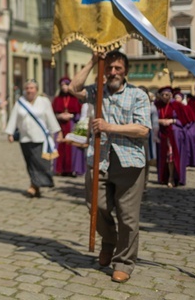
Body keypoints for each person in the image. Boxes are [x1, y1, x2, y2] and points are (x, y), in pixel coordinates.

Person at [68, 51, 151, 284]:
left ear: (126, 71)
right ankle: (109, 241)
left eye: (117, 68)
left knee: (128, 216)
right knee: (96, 206)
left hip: (129, 162)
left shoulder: (137, 95)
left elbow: (143, 129)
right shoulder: (96, 91)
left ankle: (123, 262)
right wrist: (93, 61)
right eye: (109, 68)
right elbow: (73, 89)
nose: (113, 72)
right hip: (100, 158)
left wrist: (109, 127)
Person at [4, 79, 62, 198]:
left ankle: (35, 185)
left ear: (36, 89)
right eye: (27, 88)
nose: (29, 90)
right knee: (29, 162)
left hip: (40, 138)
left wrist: (57, 131)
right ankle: (34, 185)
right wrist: (10, 133)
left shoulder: (43, 101)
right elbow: (14, 117)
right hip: (25, 137)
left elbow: (50, 116)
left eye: (32, 88)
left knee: (40, 162)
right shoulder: (20, 102)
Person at [152, 86, 193, 187]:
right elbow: (150, 118)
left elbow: (186, 121)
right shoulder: (156, 105)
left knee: (172, 157)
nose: (165, 97)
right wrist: (160, 121)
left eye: (167, 95)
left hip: (174, 135)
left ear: (171, 95)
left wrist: (172, 121)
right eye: (162, 95)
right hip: (161, 134)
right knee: (163, 157)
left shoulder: (177, 105)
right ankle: (164, 177)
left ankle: (172, 177)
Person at [53, 77, 84, 176]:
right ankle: (60, 169)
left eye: (66, 85)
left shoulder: (75, 99)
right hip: (60, 126)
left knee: (72, 147)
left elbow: (79, 113)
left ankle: (72, 169)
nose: (64, 87)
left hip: (72, 125)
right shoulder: (57, 99)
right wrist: (59, 116)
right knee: (60, 146)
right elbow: (53, 113)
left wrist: (72, 116)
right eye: (62, 85)